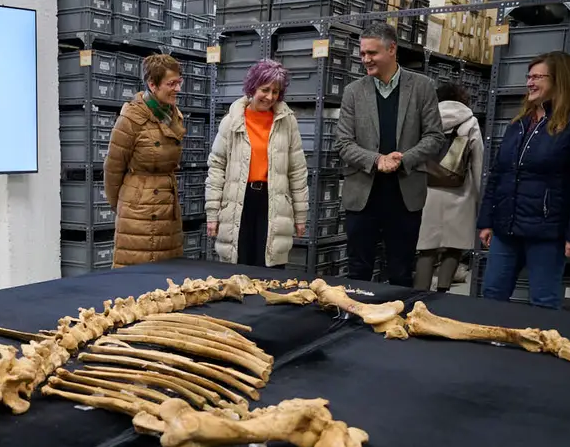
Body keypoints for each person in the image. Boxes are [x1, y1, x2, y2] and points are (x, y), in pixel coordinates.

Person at [478, 51, 570, 309]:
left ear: (559, 80)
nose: (529, 83)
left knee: (544, 302)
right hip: (506, 228)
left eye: (537, 77)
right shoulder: (519, 123)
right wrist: (486, 220)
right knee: (491, 294)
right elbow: (499, 175)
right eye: (529, 77)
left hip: (547, 232)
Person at [334, 21, 445, 286]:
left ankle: (398, 313)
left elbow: (435, 137)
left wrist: (403, 160)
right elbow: (343, 143)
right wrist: (377, 160)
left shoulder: (422, 87)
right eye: (362, 53)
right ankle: (356, 312)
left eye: (372, 53)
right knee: (358, 270)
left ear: (392, 49)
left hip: (405, 195)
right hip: (362, 196)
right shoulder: (353, 92)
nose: (365, 59)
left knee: (401, 271)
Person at [205, 59, 309, 268]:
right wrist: (212, 213)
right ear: (252, 88)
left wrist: (300, 216)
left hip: (273, 202)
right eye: (265, 90)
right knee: (238, 266)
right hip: (238, 202)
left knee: (270, 267)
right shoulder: (232, 121)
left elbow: (297, 171)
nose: (270, 97)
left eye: (276, 91)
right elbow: (216, 168)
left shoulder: (287, 122)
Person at [104, 53, 186, 267]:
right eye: (171, 84)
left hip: (167, 208)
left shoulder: (173, 115)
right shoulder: (131, 119)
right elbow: (112, 170)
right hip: (138, 214)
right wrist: (128, 205)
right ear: (152, 84)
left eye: (179, 82)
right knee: (137, 273)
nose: (177, 88)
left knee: (167, 275)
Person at [415, 83, 484, 292]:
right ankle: (443, 293)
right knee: (454, 247)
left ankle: (419, 294)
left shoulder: (425, 120)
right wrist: (481, 197)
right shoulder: (470, 122)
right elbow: (478, 161)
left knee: (426, 249)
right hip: (461, 193)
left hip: (427, 192)